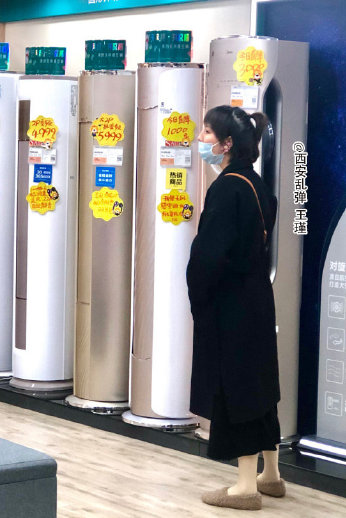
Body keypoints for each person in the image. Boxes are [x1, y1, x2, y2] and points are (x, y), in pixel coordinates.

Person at [186, 105, 284, 511]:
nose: (201, 139)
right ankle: (271, 474)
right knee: (260, 386)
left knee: (236, 388)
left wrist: (197, 296)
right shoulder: (256, 183)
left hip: (231, 305)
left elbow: (209, 255)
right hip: (258, 298)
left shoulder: (227, 188)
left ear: (227, 144)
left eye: (207, 133)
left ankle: (245, 488)